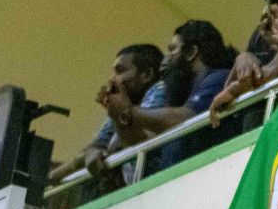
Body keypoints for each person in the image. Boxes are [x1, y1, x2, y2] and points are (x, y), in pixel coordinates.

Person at [103, 20, 238, 170]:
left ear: (192, 52)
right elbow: (138, 141)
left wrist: (127, 111)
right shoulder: (183, 94)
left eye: (172, 49)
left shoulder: (219, 78)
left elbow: (184, 118)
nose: (165, 59)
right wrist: (117, 113)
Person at [49, 43, 166, 188]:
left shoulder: (160, 91)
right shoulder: (128, 105)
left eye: (120, 71)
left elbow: (130, 141)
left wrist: (118, 114)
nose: (113, 80)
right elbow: (96, 146)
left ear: (146, 75)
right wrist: (91, 153)